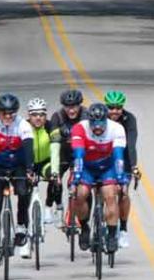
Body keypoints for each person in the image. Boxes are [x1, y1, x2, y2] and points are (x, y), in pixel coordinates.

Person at [0, 93, 34, 266]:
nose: (8, 116)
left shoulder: (23, 125)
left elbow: (28, 149)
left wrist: (29, 169)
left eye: (12, 113)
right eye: (5, 113)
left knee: (24, 192)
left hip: (17, 164)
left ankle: (21, 226)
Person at [71, 102, 126, 253]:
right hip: (87, 167)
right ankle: (84, 227)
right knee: (80, 194)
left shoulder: (116, 128)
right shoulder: (80, 128)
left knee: (110, 195)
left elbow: (118, 157)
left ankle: (112, 235)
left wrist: (121, 179)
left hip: (107, 168)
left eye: (100, 123)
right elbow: (78, 156)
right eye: (93, 123)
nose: (97, 127)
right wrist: (75, 179)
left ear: (106, 120)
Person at [104, 90, 142, 248]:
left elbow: (131, 145)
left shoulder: (129, 119)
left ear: (122, 108)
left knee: (124, 193)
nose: (114, 111)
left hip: (124, 158)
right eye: (111, 108)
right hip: (105, 158)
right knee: (102, 191)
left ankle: (124, 229)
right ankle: (100, 218)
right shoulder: (100, 117)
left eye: (118, 108)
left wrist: (133, 166)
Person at [48, 89, 88, 227]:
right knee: (54, 180)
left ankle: (80, 219)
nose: (71, 110)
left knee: (81, 187)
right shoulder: (57, 117)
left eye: (75, 106)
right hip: (62, 153)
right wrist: (55, 171)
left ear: (80, 105)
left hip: (81, 153)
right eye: (68, 107)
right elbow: (54, 146)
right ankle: (58, 207)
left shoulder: (86, 115)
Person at [25, 98, 61, 230]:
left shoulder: (51, 127)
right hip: (28, 163)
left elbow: (55, 150)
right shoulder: (23, 127)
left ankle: (48, 207)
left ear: (46, 115)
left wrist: (56, 171)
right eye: (34, 115)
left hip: (46, 162)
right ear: (29, 115)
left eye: (41, 115)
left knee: (54, 175)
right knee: (24, 192)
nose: (38, 118)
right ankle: (23, 223)